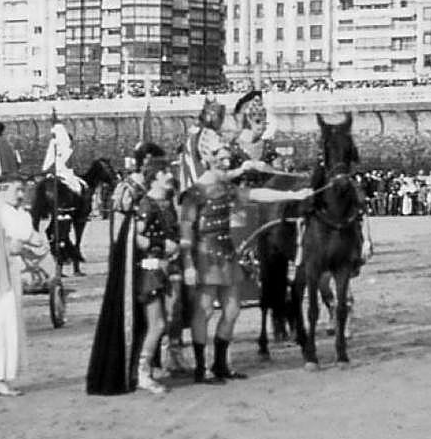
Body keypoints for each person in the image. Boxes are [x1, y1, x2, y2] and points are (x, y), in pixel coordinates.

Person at [178, 142, 312, 384]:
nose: (227, 164)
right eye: (222, 159)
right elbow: (186, 233)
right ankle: (201, 368)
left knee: (232, 310)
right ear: (209, 160)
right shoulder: (194, 193)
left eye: (229, 160)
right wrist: (188, 264)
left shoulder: (226, 189)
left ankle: (220, 364)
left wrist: (293, 194)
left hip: (226, 254)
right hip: (205, 256)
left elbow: (255, 195)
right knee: (205, 310)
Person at [88, 142, 169, 395]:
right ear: (147, 161)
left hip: (143, 257)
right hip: (139, 259)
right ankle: (140, 371)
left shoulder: (141, 190)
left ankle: (148, 366)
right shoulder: (134, 190)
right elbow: (130, 232)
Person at [0, 175, 48, 397]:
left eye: (23, 190)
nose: (22, 195)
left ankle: (4, 376)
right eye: (17, 190)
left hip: (12, 274)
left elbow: (30, 237)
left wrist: (34, 243)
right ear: (3, 189)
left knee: (10, 323)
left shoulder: (20, 212)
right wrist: (9, 246)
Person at [132, 160, 180, 394]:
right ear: (154, 177)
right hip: (151, 268)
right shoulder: (146, 204)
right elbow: (138, 239)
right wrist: (162, 244)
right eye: (165, 172)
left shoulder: (167, 202)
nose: (170, 175)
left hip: (168, 266)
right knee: (157, 323)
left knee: (168, 319)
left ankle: (154, 365)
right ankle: (142, 373)